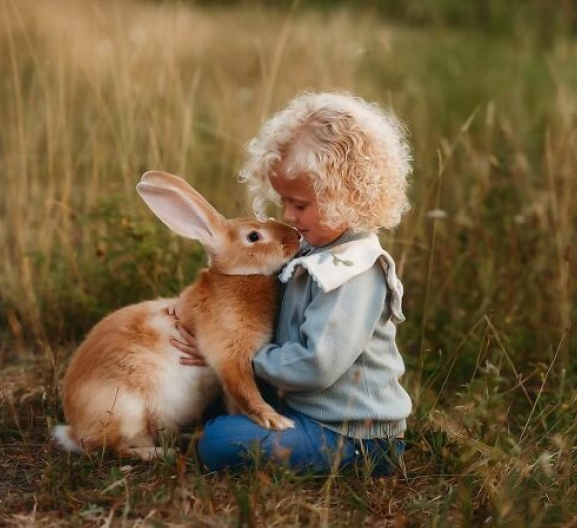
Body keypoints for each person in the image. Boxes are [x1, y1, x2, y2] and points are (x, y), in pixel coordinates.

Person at [173, 91, 414, 476]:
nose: (287, 215)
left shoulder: (356, 272)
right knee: (213, 405)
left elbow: (315, 365)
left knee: (218, 441)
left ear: (348, 195)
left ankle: (357, 458)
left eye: (299, 205)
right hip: (300, 405)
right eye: (283, 201)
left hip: (350, 433)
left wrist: (236, 357)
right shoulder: (308, 247)